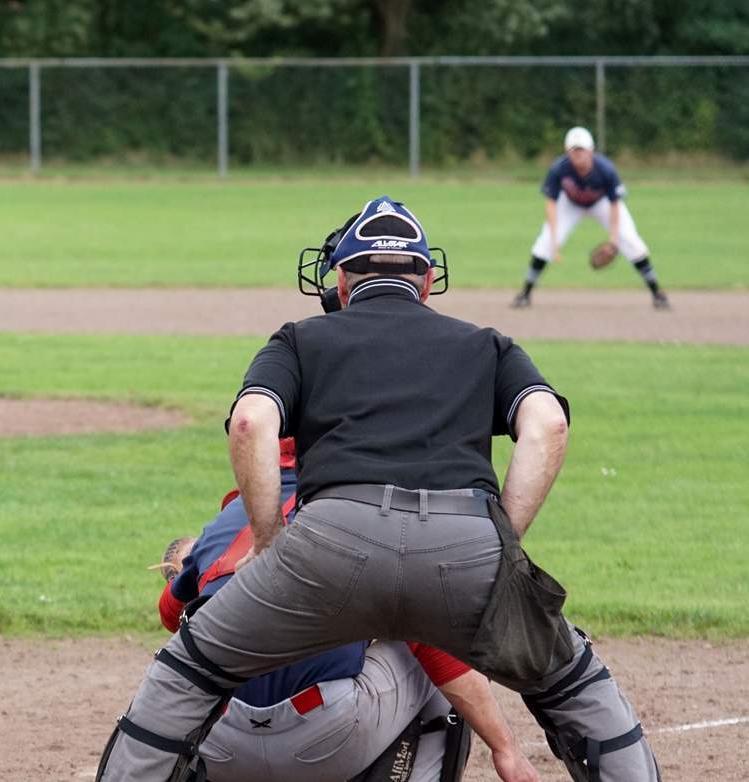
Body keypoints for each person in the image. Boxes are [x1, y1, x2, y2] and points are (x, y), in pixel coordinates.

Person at [96, 196, 660, 782]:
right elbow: (548, 424)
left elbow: (249, 422)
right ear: (429, 280)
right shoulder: (488, 343)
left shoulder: (299, 339)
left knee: (188, 672)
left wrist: (268, 542)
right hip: (465, 543)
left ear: (341, 278)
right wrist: (502, 549)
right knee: (572, 682)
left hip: (328, 541)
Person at [148, 437, 530, 782]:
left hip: (219, 741)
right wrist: (505, 748)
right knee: (436, 623)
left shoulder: (226, 521)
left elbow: (171, 614)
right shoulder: (363, 515)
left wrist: (195, 561)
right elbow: (438, 654)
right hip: (326, 741)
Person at [512, 126, 668, 310]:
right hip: (570, 204)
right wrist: (554, 241)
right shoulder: (559, 168)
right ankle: (525, 294)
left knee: (630, 240)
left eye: (582, 149)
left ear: (591, 150)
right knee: (544, 243)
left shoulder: (605, 169)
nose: (578, 154)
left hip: (601, 203)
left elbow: (614, 204)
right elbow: (551, 204)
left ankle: (657, 294)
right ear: (567, 151)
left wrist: (613, 238)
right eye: (574, 150)